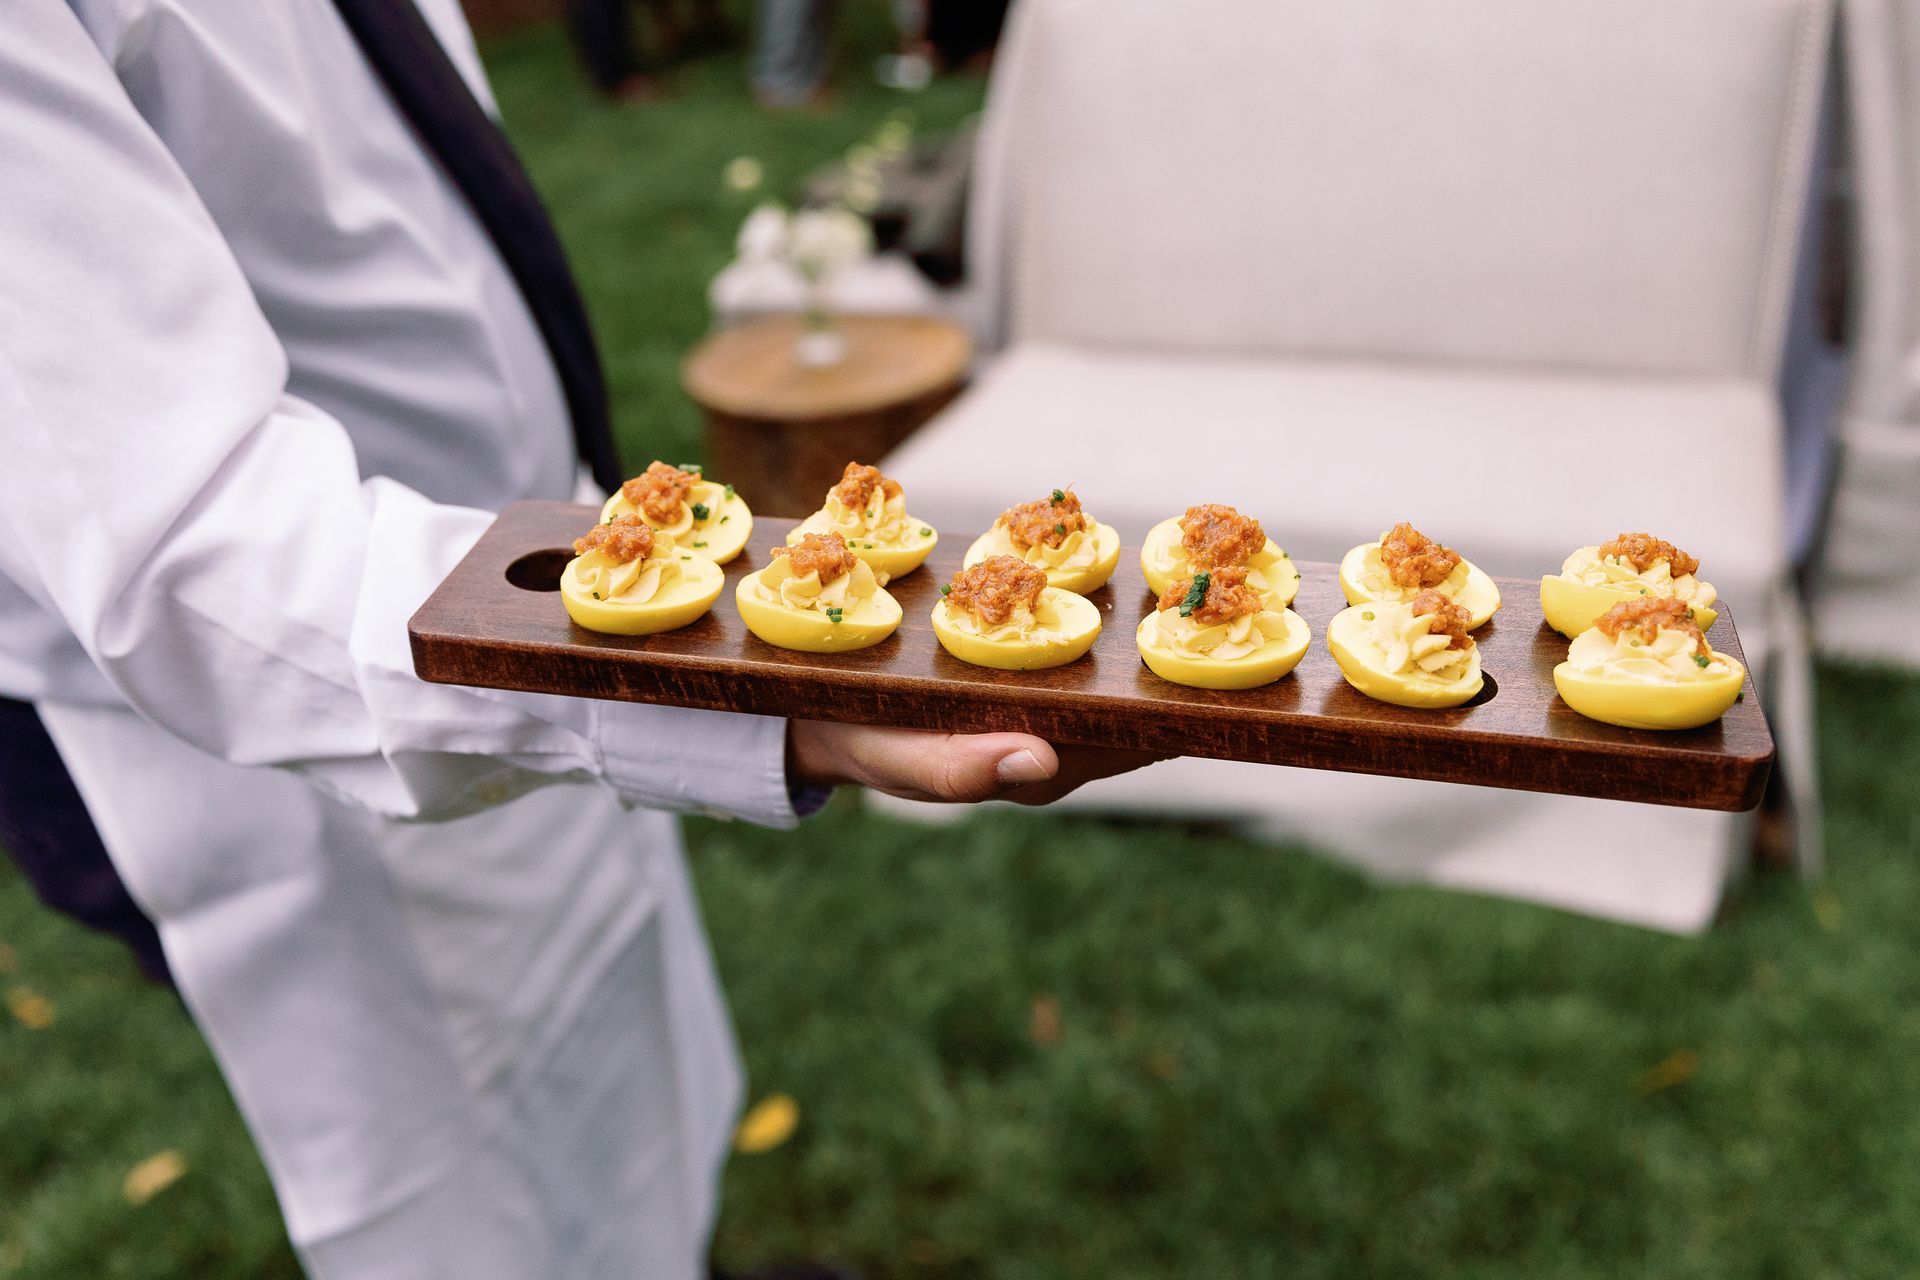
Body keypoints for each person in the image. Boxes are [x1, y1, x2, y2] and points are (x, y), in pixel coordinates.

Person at [0, 3, 1146, 1277]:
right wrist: (702, 685)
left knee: (625, 1052)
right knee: (477, 1166)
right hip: (312, 701)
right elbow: (186, 538)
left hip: (544, 579)